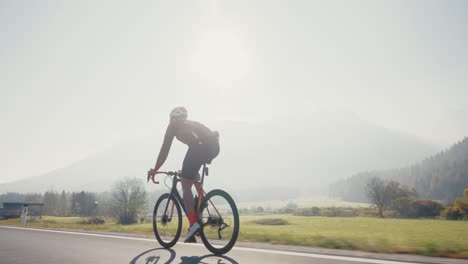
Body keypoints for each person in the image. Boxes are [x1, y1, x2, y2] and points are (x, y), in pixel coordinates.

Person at [151, 107, 220, 242]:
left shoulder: (173, 125)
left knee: (185, 183)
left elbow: (164, 150)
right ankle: (201, 201)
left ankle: (194, 224)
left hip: (199, 147)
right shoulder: (192, 123)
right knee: (192, 175)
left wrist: (155, 169)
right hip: (214, 147)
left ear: (173, 118)